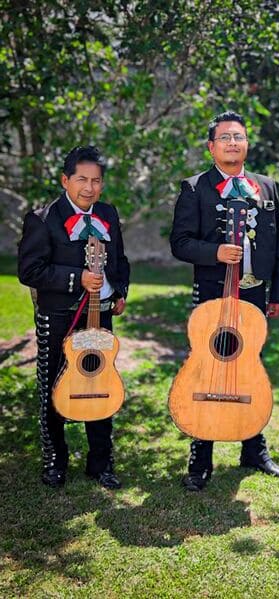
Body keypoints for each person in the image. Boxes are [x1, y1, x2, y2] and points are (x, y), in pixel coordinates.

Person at [170, 110, 279, 492]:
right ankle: (200, 457)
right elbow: (180, 243)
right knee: (209, 366)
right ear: (211, 147)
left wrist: (278, 293)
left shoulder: (266, 187)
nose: (232, 143)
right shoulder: (195, 188)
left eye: (238, 137)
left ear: (247, 143)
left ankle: (254, 448)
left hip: (255, 292)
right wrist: (215, 252)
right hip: (212, 294)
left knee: (250, 366)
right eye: (224, 138)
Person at [18, 145, 130, 489]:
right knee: (54, 388)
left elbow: (119, 260)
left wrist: (121, 290)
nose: (89, 188)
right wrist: (76, 277)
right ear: (66, 180)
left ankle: (100, 462)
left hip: (98, 316)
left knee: (100, 383)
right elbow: (30, 270)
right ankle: (55, 459)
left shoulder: (108, 214)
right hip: (59, 318)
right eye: (81, 179)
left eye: (96, 181)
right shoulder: (42, 218)